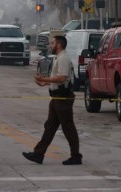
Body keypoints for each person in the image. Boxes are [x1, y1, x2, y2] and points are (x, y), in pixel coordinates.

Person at [22, 35, 82, 166]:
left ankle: (76, 156)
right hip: (56, 97)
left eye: (52, 43)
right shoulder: (59, 58)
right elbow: (59, 80)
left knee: (68, 127)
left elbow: (62, 78)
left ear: (59, 44)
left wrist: (45, 79)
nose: (50, 45)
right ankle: (38, 154)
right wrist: (46, 84)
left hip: (63, 98)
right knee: (50, 127)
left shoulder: (63, 58)